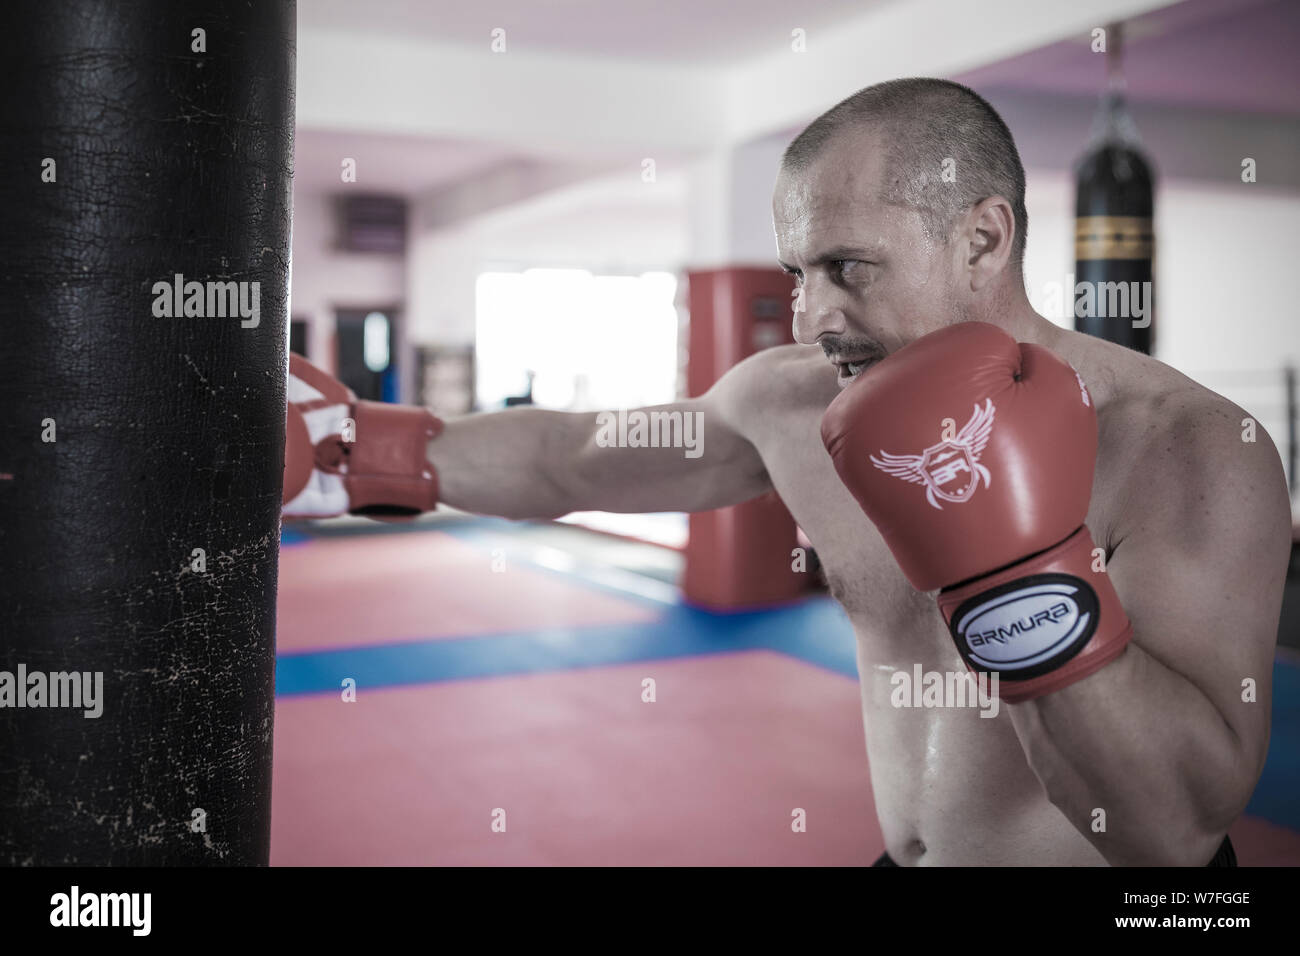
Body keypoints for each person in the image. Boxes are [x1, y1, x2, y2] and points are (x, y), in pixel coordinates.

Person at [282, 79, 1290, 866]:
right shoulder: (795, 401)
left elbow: (1169, 832)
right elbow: (572, 455)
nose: (811, 317)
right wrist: (355, 449)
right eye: (796, 273)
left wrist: (1017, 576)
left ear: (983, 237)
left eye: (848, 267)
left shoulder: (1188, 449)